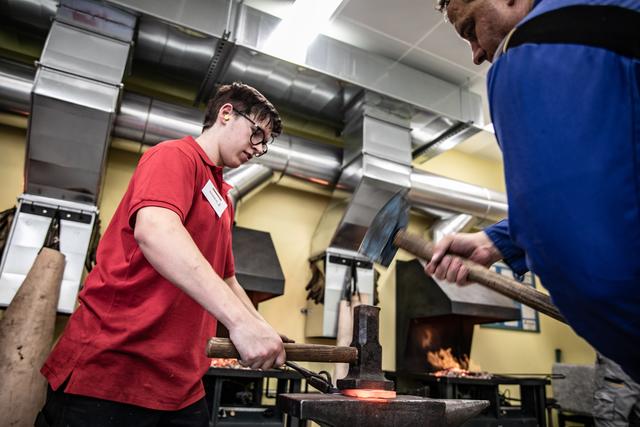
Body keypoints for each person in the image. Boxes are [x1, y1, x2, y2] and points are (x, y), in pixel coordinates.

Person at [35, 82, 287, 426]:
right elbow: (156, 231)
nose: (257, 149)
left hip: (181, 385)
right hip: (112, 373)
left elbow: (226, 278)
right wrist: (240, 324)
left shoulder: (222, 197)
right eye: (257, 134)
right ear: (226, 114)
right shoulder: (174, 156)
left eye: (265, 144)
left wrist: (261, 328)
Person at [425, 0, 640, 382]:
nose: (475, 54)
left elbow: (590, 268)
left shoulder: (533, 49)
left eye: (471, 28)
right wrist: (499, 241)